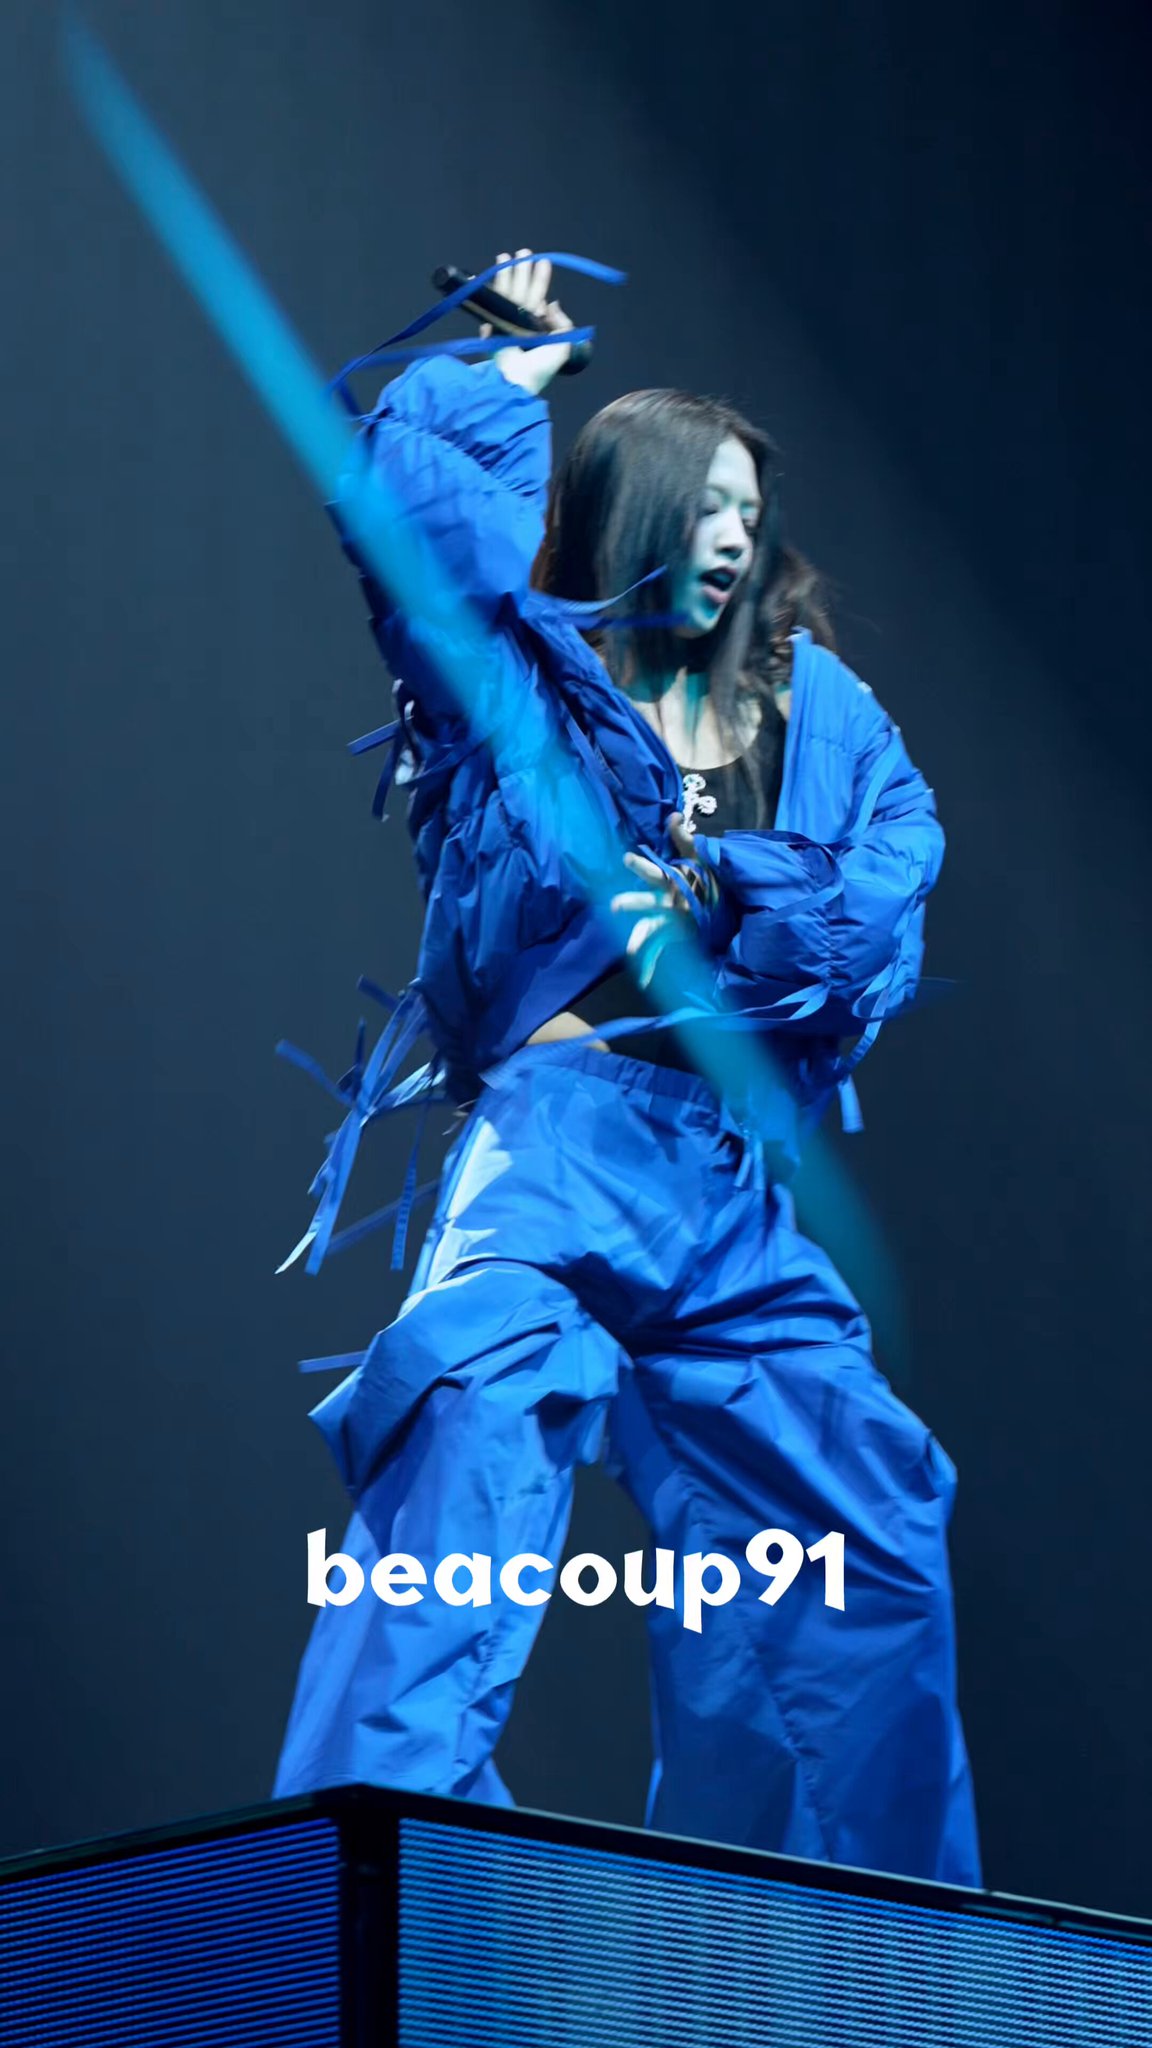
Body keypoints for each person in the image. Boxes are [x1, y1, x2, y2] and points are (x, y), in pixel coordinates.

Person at [272, 250, 981, 1888]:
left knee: (860, 1525)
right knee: (462, 1433)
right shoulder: (526, 687)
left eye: (752, 509)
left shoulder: (820, 721)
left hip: (728, 1196)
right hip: (555, 1149)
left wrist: (738, 890)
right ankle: (377, 1890)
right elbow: (420, 532)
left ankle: (836, 1940)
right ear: (636, 509)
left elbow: (889, 896)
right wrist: (504, 377)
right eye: (705, 501)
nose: (735, 533)